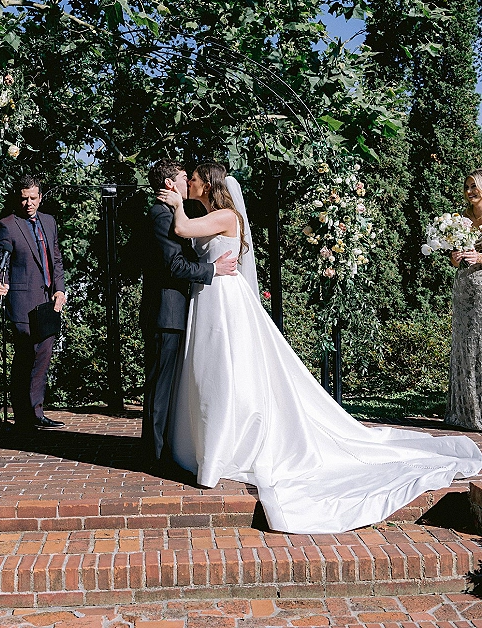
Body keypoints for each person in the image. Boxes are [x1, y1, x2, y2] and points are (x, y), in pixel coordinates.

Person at [158, 162, 482, 534]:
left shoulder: (226, 216)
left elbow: (183, 228)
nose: (191, 183)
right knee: (213, 370)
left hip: (223, 299)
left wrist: (175, 204)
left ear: (209, 184)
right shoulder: (212, 214)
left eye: (195, 179)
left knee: (227, 369)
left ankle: (226, 441)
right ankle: (211, 438)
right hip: (209, 296)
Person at [140, 158, 238, 467]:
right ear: (170, 184)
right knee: (160, 386)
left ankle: (166, 446)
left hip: (183, 311)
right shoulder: (160, 215)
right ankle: (153, 455)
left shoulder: (180, 214)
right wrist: (212, 268)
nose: (187, 182)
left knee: (171, 385)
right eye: (184, 177)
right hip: (166, 313)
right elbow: (173, 265)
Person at [0, 176, 66, 430]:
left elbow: (56, 259)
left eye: (33, 198)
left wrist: (60, 290)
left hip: (47, 302)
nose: (28, 203)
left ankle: (36, 411)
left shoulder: (49, 222)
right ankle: (22, 415)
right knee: (26, 355)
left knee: (44, 354)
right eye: (24, 198)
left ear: (40, 197)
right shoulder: (8, 225)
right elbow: (2, 259)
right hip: (22, 300)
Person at [446, 170, 482, 431]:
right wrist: (456, 256)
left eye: (475, 186)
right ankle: (465, 413)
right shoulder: (461, 220)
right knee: (465, 345)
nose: (470, 191)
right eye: (467, 187)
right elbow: (451, 254)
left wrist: (479, 258)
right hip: (463, 288)